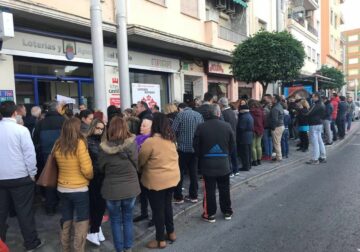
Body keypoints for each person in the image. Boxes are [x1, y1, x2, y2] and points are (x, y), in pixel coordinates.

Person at [0, 101, 44, 251]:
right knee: (25, 213)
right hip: (20, 177)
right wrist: (32, 173)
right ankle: (31, 243)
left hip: (1, 178)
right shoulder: (21, 130)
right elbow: (29, 155)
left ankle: (1, 243)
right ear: (15, 113)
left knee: (0, 214)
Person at [139, 113, 180, 249]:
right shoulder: (171, 140)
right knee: (167, 206)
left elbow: (141, 161)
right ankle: (171, 232)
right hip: (172, 179)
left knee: (158, 210)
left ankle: (160, 240)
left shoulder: (150, 142)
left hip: (156, 182)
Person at [98, 116, 140, 252]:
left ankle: (119, 249)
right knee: (128, 218)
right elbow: (137, 164)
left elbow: (101, 167)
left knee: (115, 220)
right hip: (130, 187)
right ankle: (128, 247)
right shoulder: (132, 143)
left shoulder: (104, 147)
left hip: (112, 189)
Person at [54, 117, 93, 252]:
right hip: (79, 189)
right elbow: (87, 169)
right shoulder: (80, 143)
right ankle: (78, 249)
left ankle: (65, 248)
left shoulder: (58, 144)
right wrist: (90, 177)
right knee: (82, 221)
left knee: (66, 219)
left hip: (62, 187)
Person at [193, 104, 235, 223]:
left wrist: (202, 156)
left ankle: (210, 214)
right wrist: (225, 154)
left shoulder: (201, 127)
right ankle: (227, 212)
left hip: (207, 164)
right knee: (225, 189)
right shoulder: (227, 126)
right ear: (218, 113)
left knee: (209, 190)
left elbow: (196, 146)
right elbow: (232, 145)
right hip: (223, 163)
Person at [33, 100, 65, 215]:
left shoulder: (40, 123)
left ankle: (50, 207)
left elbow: (35, 141)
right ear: (57, 109)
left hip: (46, 156)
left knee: (49, 181)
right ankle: (64, 205)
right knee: (63, 179)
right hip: (63, 156)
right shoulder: (64, 121)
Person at [172, 103, 203, 203]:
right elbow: (202, 130)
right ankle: (193, 196)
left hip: (182, 149)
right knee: (193, 173)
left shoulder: (180, 115)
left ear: (181, 108)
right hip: (195, 149)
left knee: (179, 173)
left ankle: (178, 197)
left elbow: (173, 131)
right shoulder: (198, 115)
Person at [86, 119, 107, 246]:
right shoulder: (88, 141)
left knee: (100, 205)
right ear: (93, 127)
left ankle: (97, 228)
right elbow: (98, 158)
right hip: (94, 177)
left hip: (102, 176)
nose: (99, 130)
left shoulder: (102, 141)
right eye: (98, 128)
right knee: (97, 204)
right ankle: (94, 230)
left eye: (102, 129)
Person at [133, 116, 154, 226]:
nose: (141, 126)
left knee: (151, 196)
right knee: (142, 194)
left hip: (149, 171)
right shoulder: (137, 138)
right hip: (139, 170)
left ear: (151, 128)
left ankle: (154, 217)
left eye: (144, 125)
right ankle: (144, 213)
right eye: (141, 124)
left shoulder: (151, 140)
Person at [219, 97, 239, 176]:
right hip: (234, 135)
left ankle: (230, 172)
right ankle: (236, 170)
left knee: (228, 155)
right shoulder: (232, 111)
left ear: (221, 104)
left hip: (227, 136)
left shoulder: (223, 113)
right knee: (234, 154)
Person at [306, 93, 326, 165]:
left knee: (315, 142)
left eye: (313, 97)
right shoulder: (322, 104)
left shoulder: (316, 104)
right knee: (320, 141)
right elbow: (324, 114)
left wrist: (302, 110)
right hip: (319, 123)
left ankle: (315, 159)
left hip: (313, 124)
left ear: (317, 97)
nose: (312, 98)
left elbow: (309, 113)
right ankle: (323, 156)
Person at [237, 104, 254, 171]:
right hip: (249, 135)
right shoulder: (249, 115)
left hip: (244, 136)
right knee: (249, 152)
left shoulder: (243, 117)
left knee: (245, 153)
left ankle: (246, 166)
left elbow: (241, 127)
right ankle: (249, 165)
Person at [249, 100, 264, 166]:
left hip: (253, 130)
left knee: (253, 146)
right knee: (259, 145)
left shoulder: (250, 112)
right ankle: (259, 160)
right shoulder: (261, 112)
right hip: (260, 130)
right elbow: (264, 121)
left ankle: (254, 161)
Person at [270, 95, 285, 162]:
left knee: (276, 143)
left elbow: (274, 120)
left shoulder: (275, 108)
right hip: (281, 126)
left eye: (272, 98)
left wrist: (273, 127)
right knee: (278, 142)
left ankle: (279, 157)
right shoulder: (280, 106)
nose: (271, 99)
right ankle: (278, 156)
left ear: (275, 100)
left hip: (277, 127)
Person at [262, 94, 273, 160]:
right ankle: (270, 154)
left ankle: (267, 155)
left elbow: (265, 118)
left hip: (266, 126)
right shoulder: (271, 106)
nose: (264, 99)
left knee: (266, 141)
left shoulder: (266, 108)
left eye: (265, 98)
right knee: (269, 141)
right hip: (270, 126)